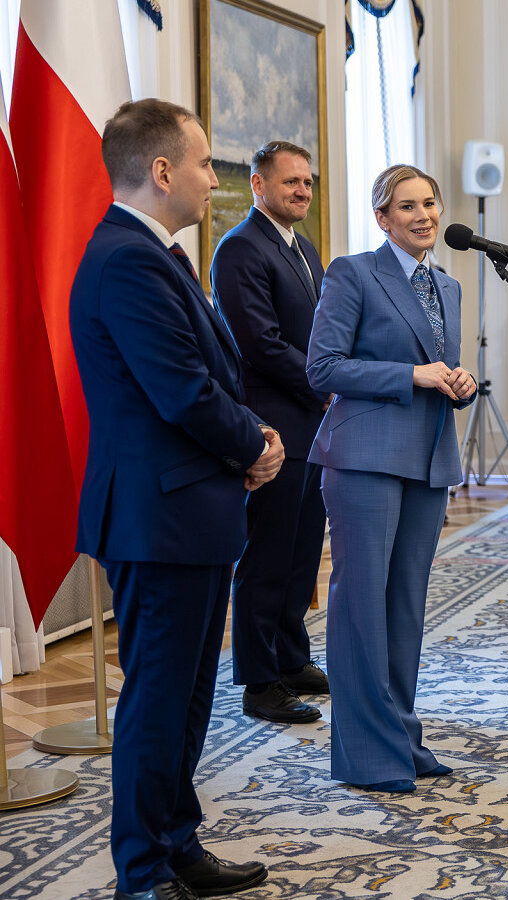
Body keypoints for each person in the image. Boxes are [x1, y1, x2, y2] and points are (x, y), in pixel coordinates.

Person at [72, 98, 281, 900]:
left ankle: (177, 844)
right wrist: (255, 445)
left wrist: (249, 436)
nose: (212, 180)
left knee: (188, 698)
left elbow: (205, 379)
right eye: (203, 164)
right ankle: (142, 873)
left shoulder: (152, 254)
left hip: (188, 511)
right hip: (157, 517)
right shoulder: (128, 260)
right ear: (162, 171)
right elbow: (182, 392)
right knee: (158, 702)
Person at [307, 164, 477, 793]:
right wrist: (412, 376)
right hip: (365, 459)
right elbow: (323, 367)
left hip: (428, 460)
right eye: (407, 206)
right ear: (383, 217)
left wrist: (459, 383)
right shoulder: (353, 273)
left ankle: (402, 738)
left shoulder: (447, 286)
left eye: (429, 203)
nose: (423, 215)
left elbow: (440, 369)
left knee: (405, 606)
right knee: (361, 607)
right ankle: (366, 755)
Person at [210, 140, 328, 726]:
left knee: (302, 551)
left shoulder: (304, 247)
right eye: (290, 182)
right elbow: (259, 343)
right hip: (271, 425)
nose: (302, 191)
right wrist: (325, 383)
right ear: (258, 185)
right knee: (267, 554)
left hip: (314, 423)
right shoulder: (239, 248)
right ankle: (259, 681)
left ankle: (290, 657)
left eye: (307, 182)